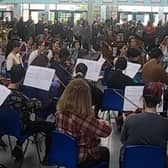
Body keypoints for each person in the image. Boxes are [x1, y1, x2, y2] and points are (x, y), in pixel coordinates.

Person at [2, 65, 55, 161]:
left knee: (18, 118)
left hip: (4, 125)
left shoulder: (3, 92)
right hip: (21, 128)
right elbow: (39, 105)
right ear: (22, 79)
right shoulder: (22, 98)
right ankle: (48, 158)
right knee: (50, 127)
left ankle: (18, 147)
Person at [55, 79, 112, 168]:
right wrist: (101, 121)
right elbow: (106, 131)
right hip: (81, 158)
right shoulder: (83, 118)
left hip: (65, 154)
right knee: (105, 152)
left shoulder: (59, 112)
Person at [120, 82, 168, 167]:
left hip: (132, 162)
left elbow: (123, 140)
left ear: (143, 99)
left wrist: (126, 121)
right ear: (159, 101)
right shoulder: (165, 123)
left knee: (122, 150)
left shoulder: (130, 119)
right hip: (156, 163)